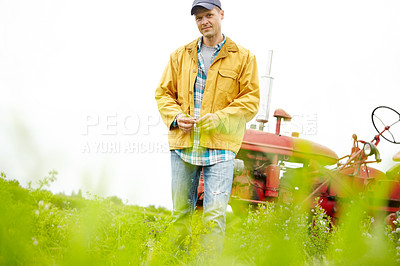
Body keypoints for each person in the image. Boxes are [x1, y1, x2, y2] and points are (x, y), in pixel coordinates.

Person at [155, 0, 260, 253]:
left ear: (221, 14)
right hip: (183, 146)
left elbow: (251, 99)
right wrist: (177, 117)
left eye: (209, 15)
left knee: (214, 217)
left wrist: (220, 118)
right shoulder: (179, 56)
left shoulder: (244, 57)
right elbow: (163, 94)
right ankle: (176, 260)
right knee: (180, 214)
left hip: (221, 148)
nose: (204, 22)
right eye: (199, 18)